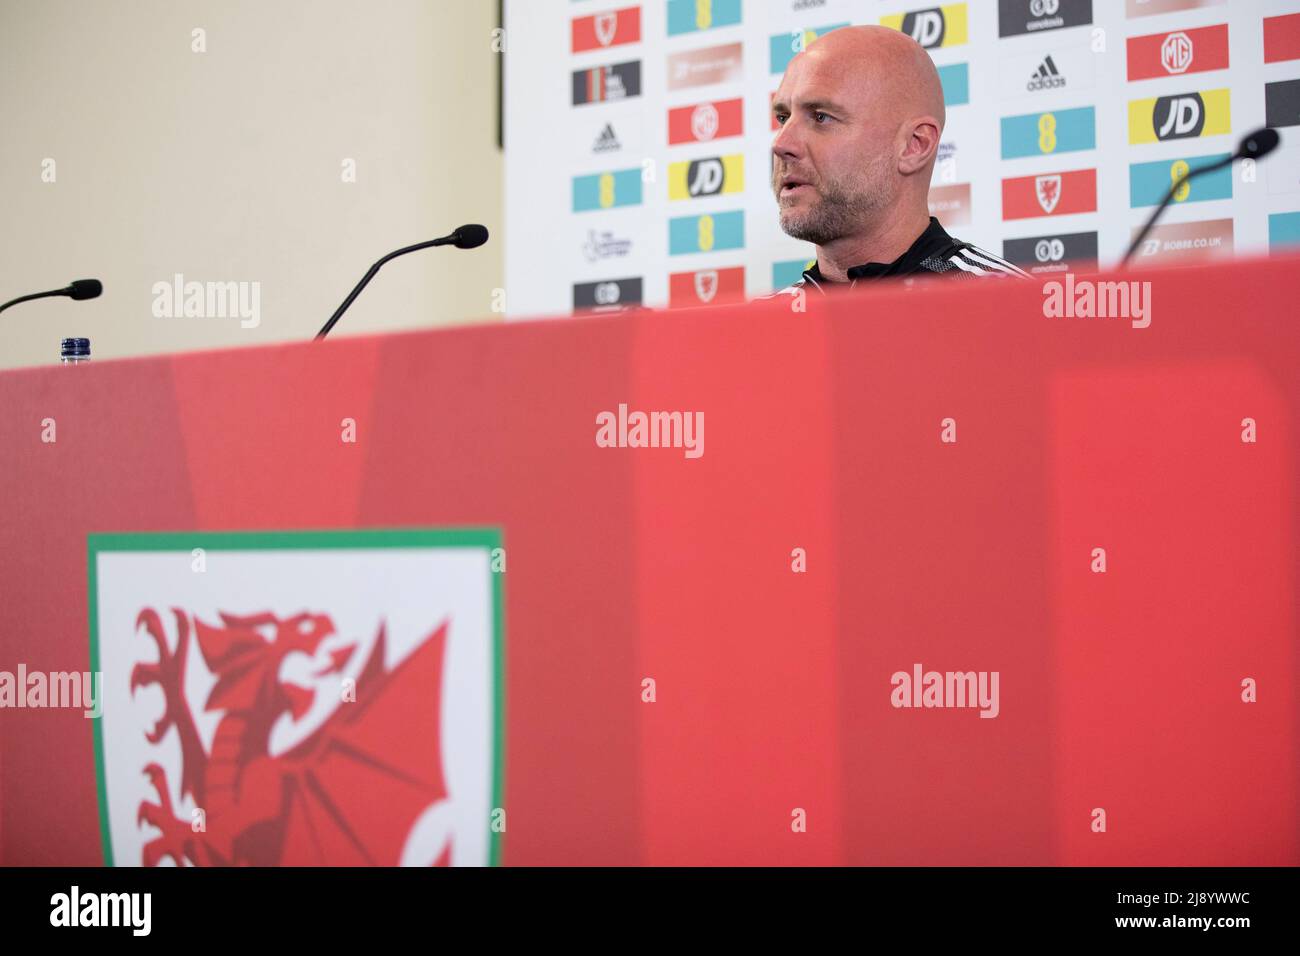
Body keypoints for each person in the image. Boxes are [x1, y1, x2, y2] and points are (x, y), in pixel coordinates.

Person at [769, 25, 1027, 296]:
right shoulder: (760, 326)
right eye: (784, 118)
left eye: (821, 116)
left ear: (915, 146)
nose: (781, 144)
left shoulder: (1014, 310)